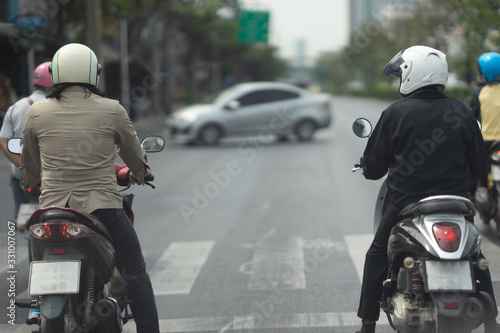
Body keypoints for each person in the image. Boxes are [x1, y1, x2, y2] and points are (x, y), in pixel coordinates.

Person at [356, 45, 498, 333]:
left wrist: (367, 166)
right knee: (476, 258)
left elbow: (374, 168)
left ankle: (367, 325)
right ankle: (492, 323)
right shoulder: (460, 110)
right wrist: (465, 189)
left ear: (411, 74)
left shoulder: (394, 113)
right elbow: (478, 162)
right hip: (457, 203)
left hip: (406, 203)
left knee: (376, 255)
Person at [20, 43, 160, 333]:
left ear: (57, 73)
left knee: (36, 252)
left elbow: (30, 165)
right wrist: (140, 172)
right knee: (134, 272)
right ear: (93, 74)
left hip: (52, 210)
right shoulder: (112, 109)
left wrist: (31, 182)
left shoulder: (37, 112)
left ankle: (37, 303)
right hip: (102, 208)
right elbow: (133, 153)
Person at [0, 62, 52, 228]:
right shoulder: (61, 106)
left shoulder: (15, 107)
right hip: (54, 175)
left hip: (22, 175)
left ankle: (20, 218)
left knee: (15, 177)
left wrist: (22, 166)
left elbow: (3, 140)